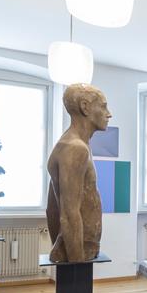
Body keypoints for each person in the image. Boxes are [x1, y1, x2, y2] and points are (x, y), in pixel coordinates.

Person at [46, 83, 111, 263]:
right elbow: (68, 214)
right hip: (78, 252)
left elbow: (52, 207)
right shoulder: (75, 148)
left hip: (81, 246)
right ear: (85, 107)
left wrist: (58, 244)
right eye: (103, 106)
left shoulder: (78, 145)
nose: (109, 114)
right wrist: (75, 266)